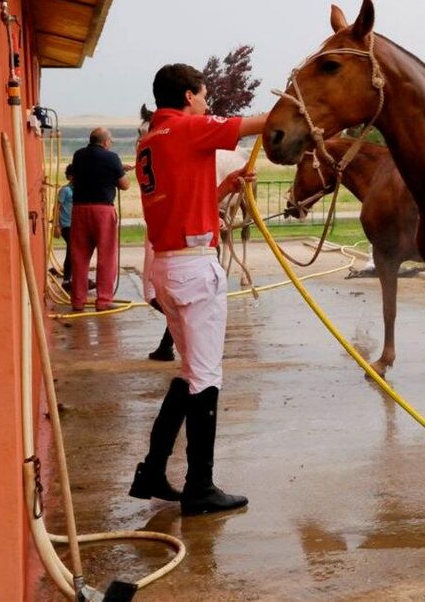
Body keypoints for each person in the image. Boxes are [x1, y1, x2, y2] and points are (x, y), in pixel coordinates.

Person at [128, 63, 267, 516]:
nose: (208, 104)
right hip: (193, 269)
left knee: (190, 373)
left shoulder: (151, 140)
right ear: (189, 96)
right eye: (204, 95)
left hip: (169, 266)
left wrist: (225, 187)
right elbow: (257, 123)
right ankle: (200, 486)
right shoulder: (188, 128)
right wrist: (295, 101)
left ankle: (152, 469)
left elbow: (183, 198)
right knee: (205, 376)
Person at [69, 128, 132, 311]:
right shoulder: (112, 157)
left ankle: (78, 301)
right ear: (105, 142)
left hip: (79, 209)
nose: (111, 143)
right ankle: (104, 300)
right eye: (110, 140)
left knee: (79, 257)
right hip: (102, 210)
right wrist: (121, 171)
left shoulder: (78, 155)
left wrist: (117, 169)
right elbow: (124, 185)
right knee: (106, 255)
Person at [55, 164, 75, 290]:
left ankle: (71, 277)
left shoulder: (78, 189)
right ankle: (67, 279)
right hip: (66, 224)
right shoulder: (65, 190)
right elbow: (57, 207)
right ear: (69, 176)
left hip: (76, 224)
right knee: (72, 249)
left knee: (74, 251)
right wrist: (57, 225)